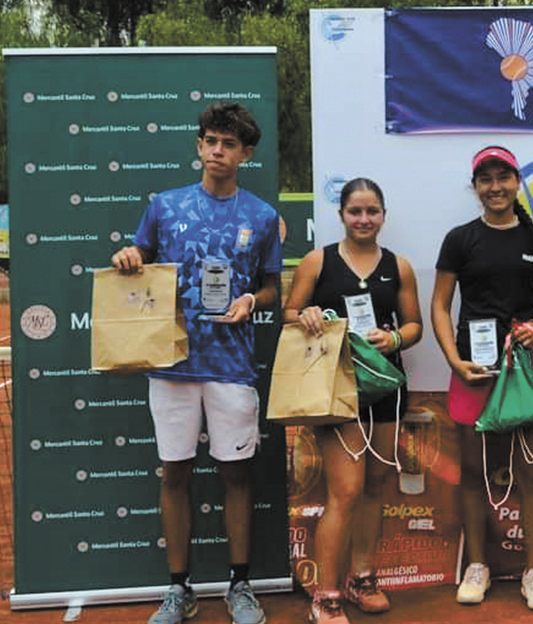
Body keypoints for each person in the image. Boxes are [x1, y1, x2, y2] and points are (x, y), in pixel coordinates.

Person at [111, 103, 280, 624]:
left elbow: (274, 286)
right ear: (199, 146)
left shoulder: (263, 216)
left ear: (246, 153)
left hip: (232, 365)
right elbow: (136, 256)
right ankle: (179, 589)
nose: (217, 152)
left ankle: (240, 585)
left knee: (236, 476)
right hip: (171, 363)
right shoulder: (163, 206)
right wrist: (127, 256)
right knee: (175, 475)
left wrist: (253, 300)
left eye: (229, 144)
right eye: (209, 141)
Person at [430, 146, 533, 611]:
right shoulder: (460, 239)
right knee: (473, 470)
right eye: (485, 179)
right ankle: (478, 566)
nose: (495, 187)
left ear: (517, 180)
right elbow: (440, 306)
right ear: (476, 187)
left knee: (532, 471)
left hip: (525, 370)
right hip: (473, 369)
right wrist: (452, 360)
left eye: (503, 177)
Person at [284, 178, 423, 623]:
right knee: (344, 491)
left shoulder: (398, 266)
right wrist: (302, 314)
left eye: (373, 211)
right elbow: (288, 312)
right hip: (336, 388)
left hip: (385, 386)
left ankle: (361, 578)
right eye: (355, 212)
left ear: (384, 215)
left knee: (374, 486)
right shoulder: (317, 261)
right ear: (341, 215)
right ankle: (325, 595)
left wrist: (396, 336)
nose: (364, 220)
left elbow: (415, 324)